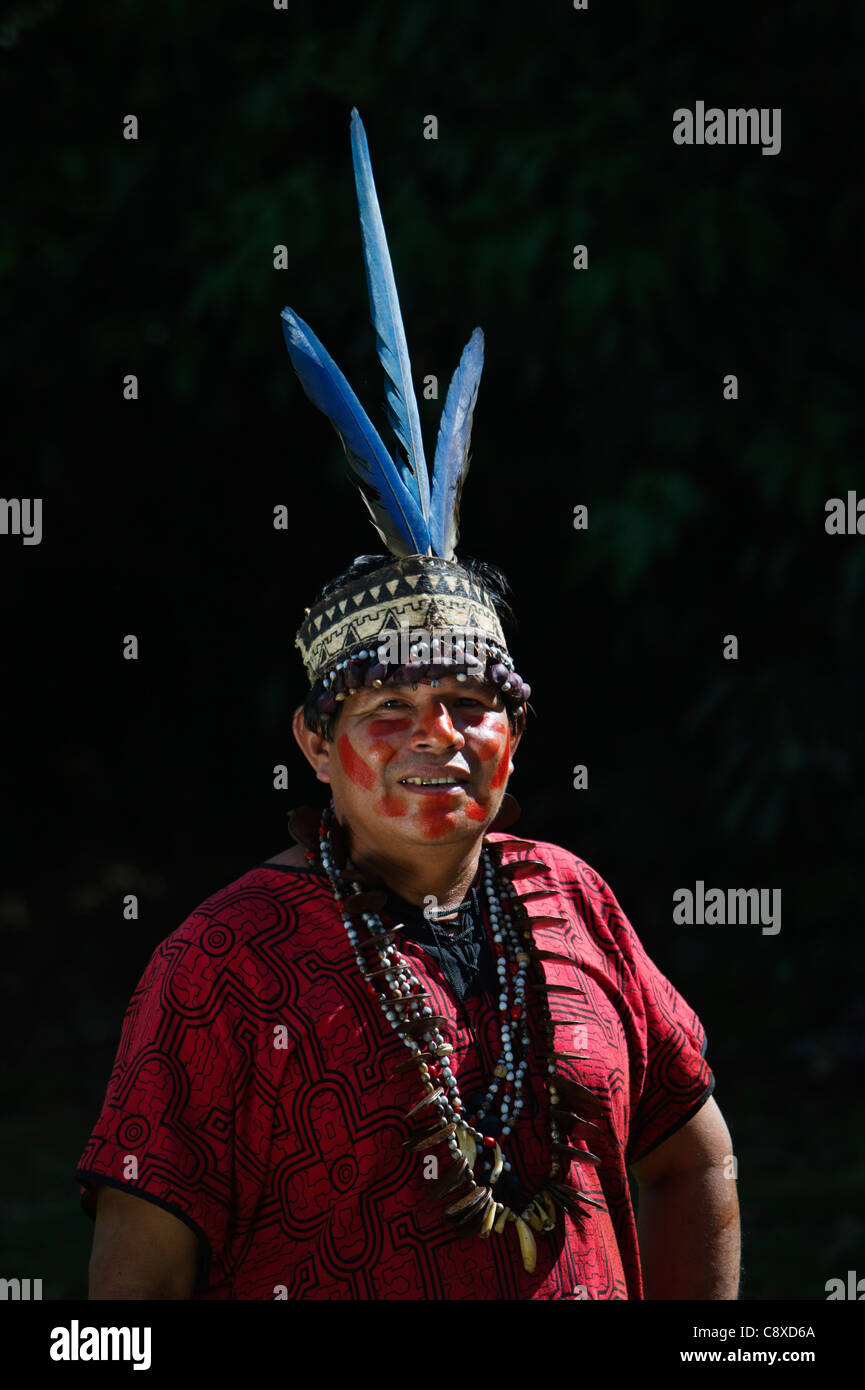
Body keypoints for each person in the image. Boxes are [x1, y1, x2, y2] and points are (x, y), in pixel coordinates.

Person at [75, 110, 740, 1300]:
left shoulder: (577, 904)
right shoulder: (219, 970)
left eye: (470, 703)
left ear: (516, 730)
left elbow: (693, 1167)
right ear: (315, 748)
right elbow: (126, 1308)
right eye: (390, 709)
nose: (439, 736)